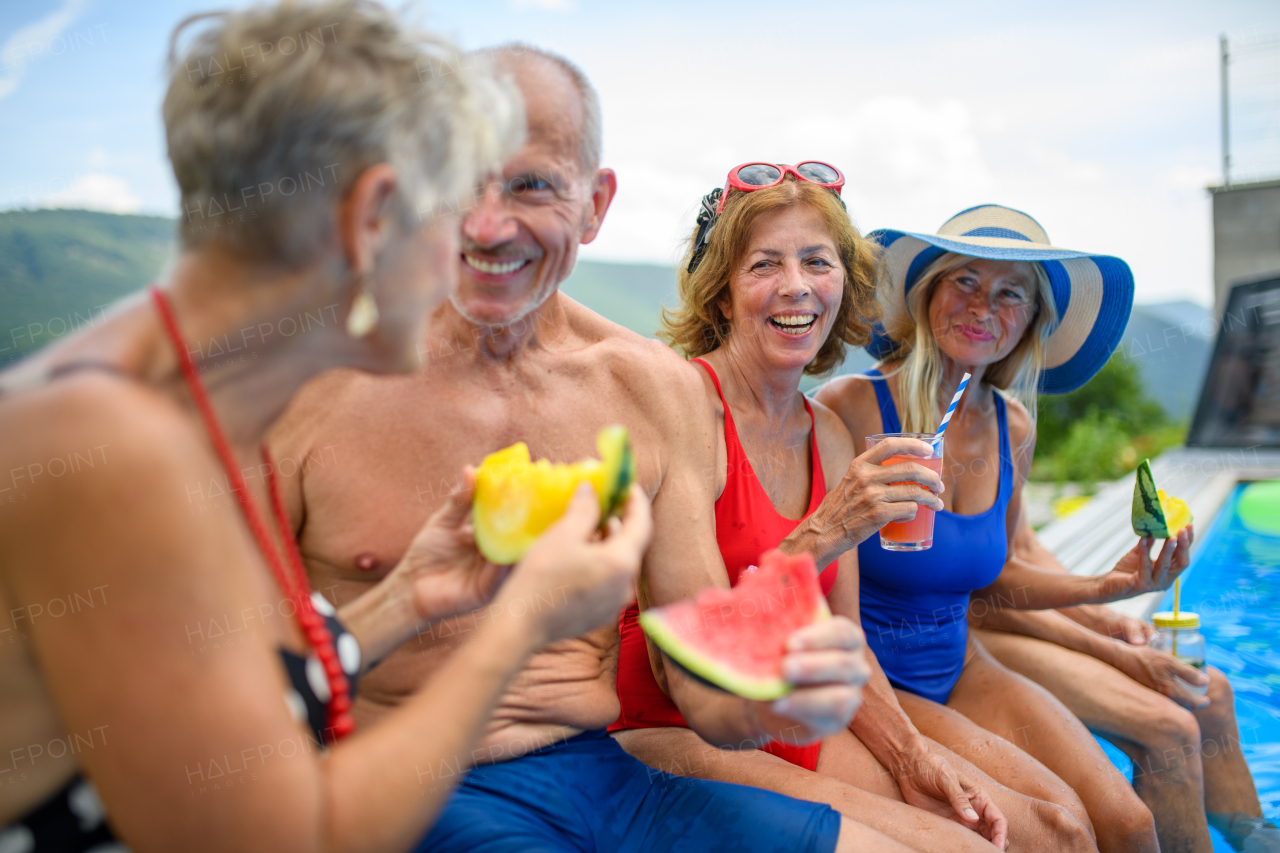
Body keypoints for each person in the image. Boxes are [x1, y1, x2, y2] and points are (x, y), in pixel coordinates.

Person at [0, 4, 654, 851]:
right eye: (449, 203)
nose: (476, 237)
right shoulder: (112, 448)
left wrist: (404, 601)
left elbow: (226, 715)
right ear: (372, 216)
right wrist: (523, 620)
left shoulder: (185, 404)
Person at [268, 45, 897, 853]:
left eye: (532, 185)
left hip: (612, 781)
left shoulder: (652, 390)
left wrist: (767, 702)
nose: (488, 224)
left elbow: (693, 674)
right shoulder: (304, 390)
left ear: (595, 204)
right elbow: (218, 681)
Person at [611, 165, 1110, 853]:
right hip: (681, 726)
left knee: (1055, 832)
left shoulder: (829, 433)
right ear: (722, 295)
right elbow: (693, 656)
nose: (796, 285)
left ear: (842, 286)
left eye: (818, 261)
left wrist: (912, 757)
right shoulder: (685, 410)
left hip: (797, 713)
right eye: (765, 264)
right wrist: (823, 531)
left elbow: (848, 635)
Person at [815, 204, 1196, 853]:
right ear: (927, 294)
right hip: (876, 675)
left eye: (1009, 292)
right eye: (964, 280)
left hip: (962, 662)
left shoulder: (1011, 426)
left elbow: (1000, 573)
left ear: (1026, 324)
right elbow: (815, 568)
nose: (983, 305)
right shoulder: (848, 407)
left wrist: (1110, 584)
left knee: (1129, 822)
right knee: (1065, 831)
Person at [971, 511, 1275, 853]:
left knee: (1208, 688)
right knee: (1166, 727)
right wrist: (1108, 646)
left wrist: (1105, 618)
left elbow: (1022, 546)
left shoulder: (1008, 455)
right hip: (974, 629)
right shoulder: (945, 462)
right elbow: (975, 596)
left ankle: (1251, 836)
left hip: (1013, 609)